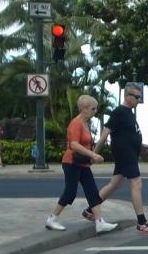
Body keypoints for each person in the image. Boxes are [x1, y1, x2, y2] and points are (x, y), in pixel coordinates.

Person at [91, 84, 148, 235]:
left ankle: (90, 210)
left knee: (114, 184)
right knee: (136, 183)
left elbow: (129, 135)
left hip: (130, 153)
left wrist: (141, 145)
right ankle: (142, 223)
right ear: (128, 96)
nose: (138, 100)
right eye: (136, 97)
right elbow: (105, 134)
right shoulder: (119, 112)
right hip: (125, 154)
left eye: (139, 97)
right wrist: (94, 154)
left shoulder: (129, 113)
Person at [46, 95, 117, 234]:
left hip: (82, 164)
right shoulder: (76, 123)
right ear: (83, 109)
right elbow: (74, 145)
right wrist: (93, 155)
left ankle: (99, 222)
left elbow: (85, 145)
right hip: (71, 163)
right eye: (93, 109)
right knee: (70, 192)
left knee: (92, 192)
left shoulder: (85, 123)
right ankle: (52, 219)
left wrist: (91, 157)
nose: (95, 111)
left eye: (95, 109)